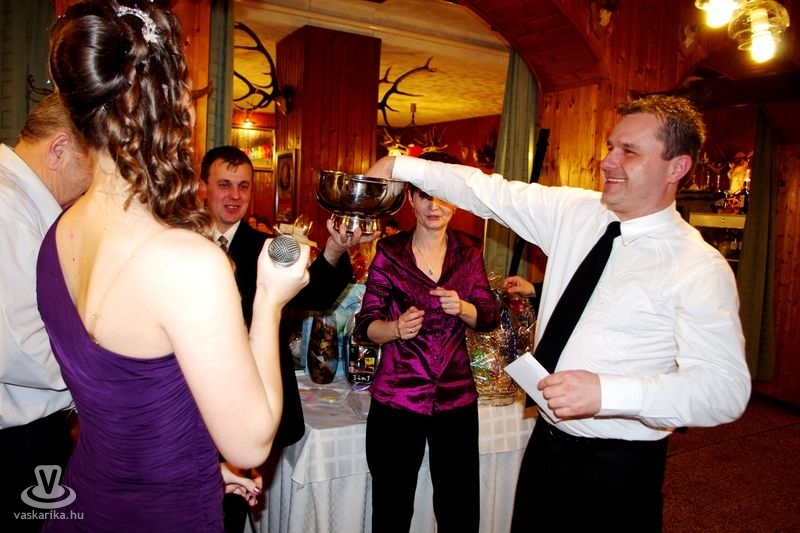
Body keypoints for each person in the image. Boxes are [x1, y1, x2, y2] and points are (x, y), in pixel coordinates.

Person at [365, 95, 752, 531]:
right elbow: (490, 192)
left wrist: (608, 393)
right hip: (545, 446)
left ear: (676, 167)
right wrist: (399, 166)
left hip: (617, 464)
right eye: (610, 146)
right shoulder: (577, 213)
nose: (608, 161)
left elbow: (724, 390)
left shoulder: (697, 266)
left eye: (629, 151)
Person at [38, 2, 309, 530]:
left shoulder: (59, 233)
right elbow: (251, 442)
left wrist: (199, 465)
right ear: (169, 106)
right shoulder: (188, 263)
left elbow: (123, 400)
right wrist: (270, 301)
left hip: (86, 501)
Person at [199, 145, 378, 531]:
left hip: (251, 396)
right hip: (195, 397)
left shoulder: (266, 248)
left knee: (232, 508)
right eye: (225, 185)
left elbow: (316, 296)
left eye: (243, 186)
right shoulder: (182, 244)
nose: (234, 196)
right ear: (203, 187)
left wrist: (335, 248)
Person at [353, 151, 500, 533]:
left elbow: (489, 315)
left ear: (456, 200)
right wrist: (395, 328)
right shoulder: (390, 253)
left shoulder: (470, 251)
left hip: (456, 399)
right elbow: (365, 325)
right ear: (410, 198)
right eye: (424, 195)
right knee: (391, 510)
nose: (434, 206)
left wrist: (464, 307)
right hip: (397, 399)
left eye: (443, 196)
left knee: (460, 512)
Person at [0, 93, 91, 532]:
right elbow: (20, 347)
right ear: (59, 149)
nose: (93, 184)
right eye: (93, 165)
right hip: (17, 441)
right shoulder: (8, 209)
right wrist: (102, 373)